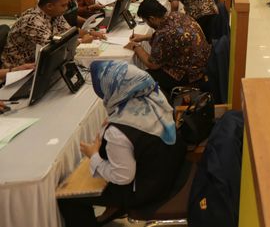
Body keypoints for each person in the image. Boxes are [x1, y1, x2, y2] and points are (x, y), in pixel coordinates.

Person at [58, 60, 186, 227]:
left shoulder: (118, 131)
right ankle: (114, 207)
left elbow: (123, 177)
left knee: (69, 199)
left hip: (150, 189)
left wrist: (93, 156)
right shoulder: (155, 96)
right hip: (172, 168)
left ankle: (116, 206)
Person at [127, 0, 210, 95]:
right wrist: (144, 37)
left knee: (143, 77)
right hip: (203, 63)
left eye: (146, 21)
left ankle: (163, 101)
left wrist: (136, 47)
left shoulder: (164, 34)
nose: (148, 24)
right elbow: (174, 36)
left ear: (152, 18)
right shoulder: (177, 15)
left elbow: (153, 64)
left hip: (191, 74)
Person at [1, 0, 102, 68]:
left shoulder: (54, 13)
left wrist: (89, 32)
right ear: (49, 6)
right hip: (19, 69)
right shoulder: (31, 21)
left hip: (38, 63)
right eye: (63, 5)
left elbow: (69, 32)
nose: (66, 8)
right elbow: (53, 49)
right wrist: (81, 42)